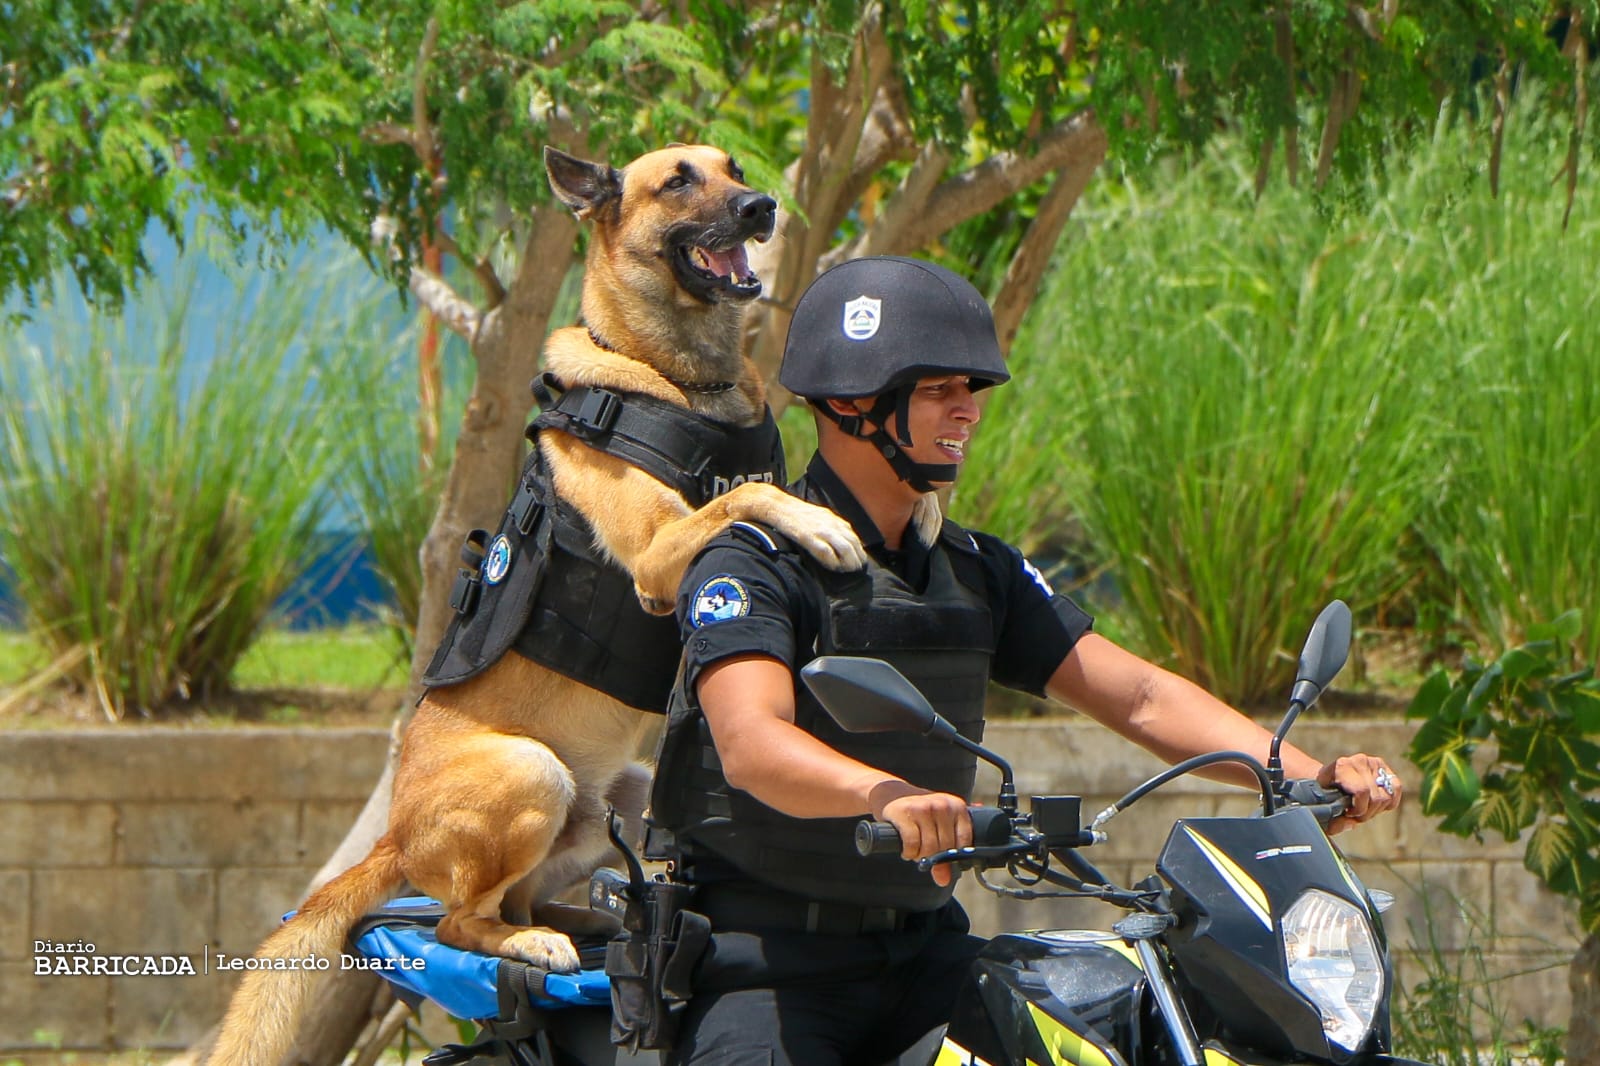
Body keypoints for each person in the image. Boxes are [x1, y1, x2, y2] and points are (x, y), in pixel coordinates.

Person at [644, 255, 1404, 1066]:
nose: (968, 411)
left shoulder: (975, 569)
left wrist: (1300, 773)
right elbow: (752, 744)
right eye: (941, 389)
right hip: (766, 966)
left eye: (972, 390)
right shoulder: (753, 563)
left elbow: (1140, 697)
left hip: (927, 953)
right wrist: (889, 796)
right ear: (852, 404)